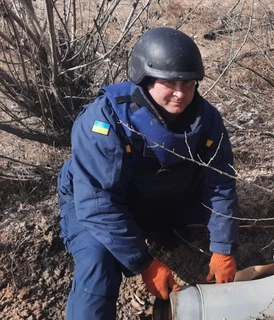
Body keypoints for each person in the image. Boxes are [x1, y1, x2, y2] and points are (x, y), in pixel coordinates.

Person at [57, 27, 240, 319]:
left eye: (189, 83)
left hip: (165, 194)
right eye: (170, 82)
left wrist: (223, 249)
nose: (181, 93)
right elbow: (98, 203)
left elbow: (220, 184)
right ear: (145, 78)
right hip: (96, 203)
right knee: (98, 260)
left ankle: (162, 229)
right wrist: (144, 263)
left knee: (224, 223)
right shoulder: (104, 120)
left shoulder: (206, 119)